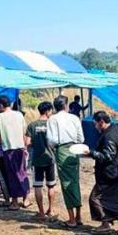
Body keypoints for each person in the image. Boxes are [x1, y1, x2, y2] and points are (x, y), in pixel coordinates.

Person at [86, 111, 118, 235]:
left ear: (101, 122)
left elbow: (107, 156)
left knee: (95, 197)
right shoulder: (114, 129)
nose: (95, 127)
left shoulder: (108, 136)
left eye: (96, 124)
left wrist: (91, 153)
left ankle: (105, 223)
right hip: (117, 171)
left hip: (109, 173)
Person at [47, 95, 85, 227]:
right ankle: (79, 216)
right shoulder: (74, 118)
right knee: (75, 181)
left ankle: (72, 219)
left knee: (66, 183)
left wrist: (55, 149)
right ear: (66, 106)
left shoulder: (53, 119)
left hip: (62, 150)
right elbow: (81, 138)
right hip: (75, 149)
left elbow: (51, 140)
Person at [0, 95, 30, 210]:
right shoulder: (19, 114)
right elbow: (24, 133)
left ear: (1, 105)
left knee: (12, 176)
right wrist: (25, 148)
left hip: (8, 150)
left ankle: (14, 202)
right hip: (20, 149)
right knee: (22, 173)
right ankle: (26, 198)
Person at [26, 101, 56, 220]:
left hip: (37, 160)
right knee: (51, 185)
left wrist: (36, 143)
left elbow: (27, 143)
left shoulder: (32, 125)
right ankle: (51, 210)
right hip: (50, 159)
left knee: (38, 186)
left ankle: (41, 212)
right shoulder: (51, 124)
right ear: (48, 111)